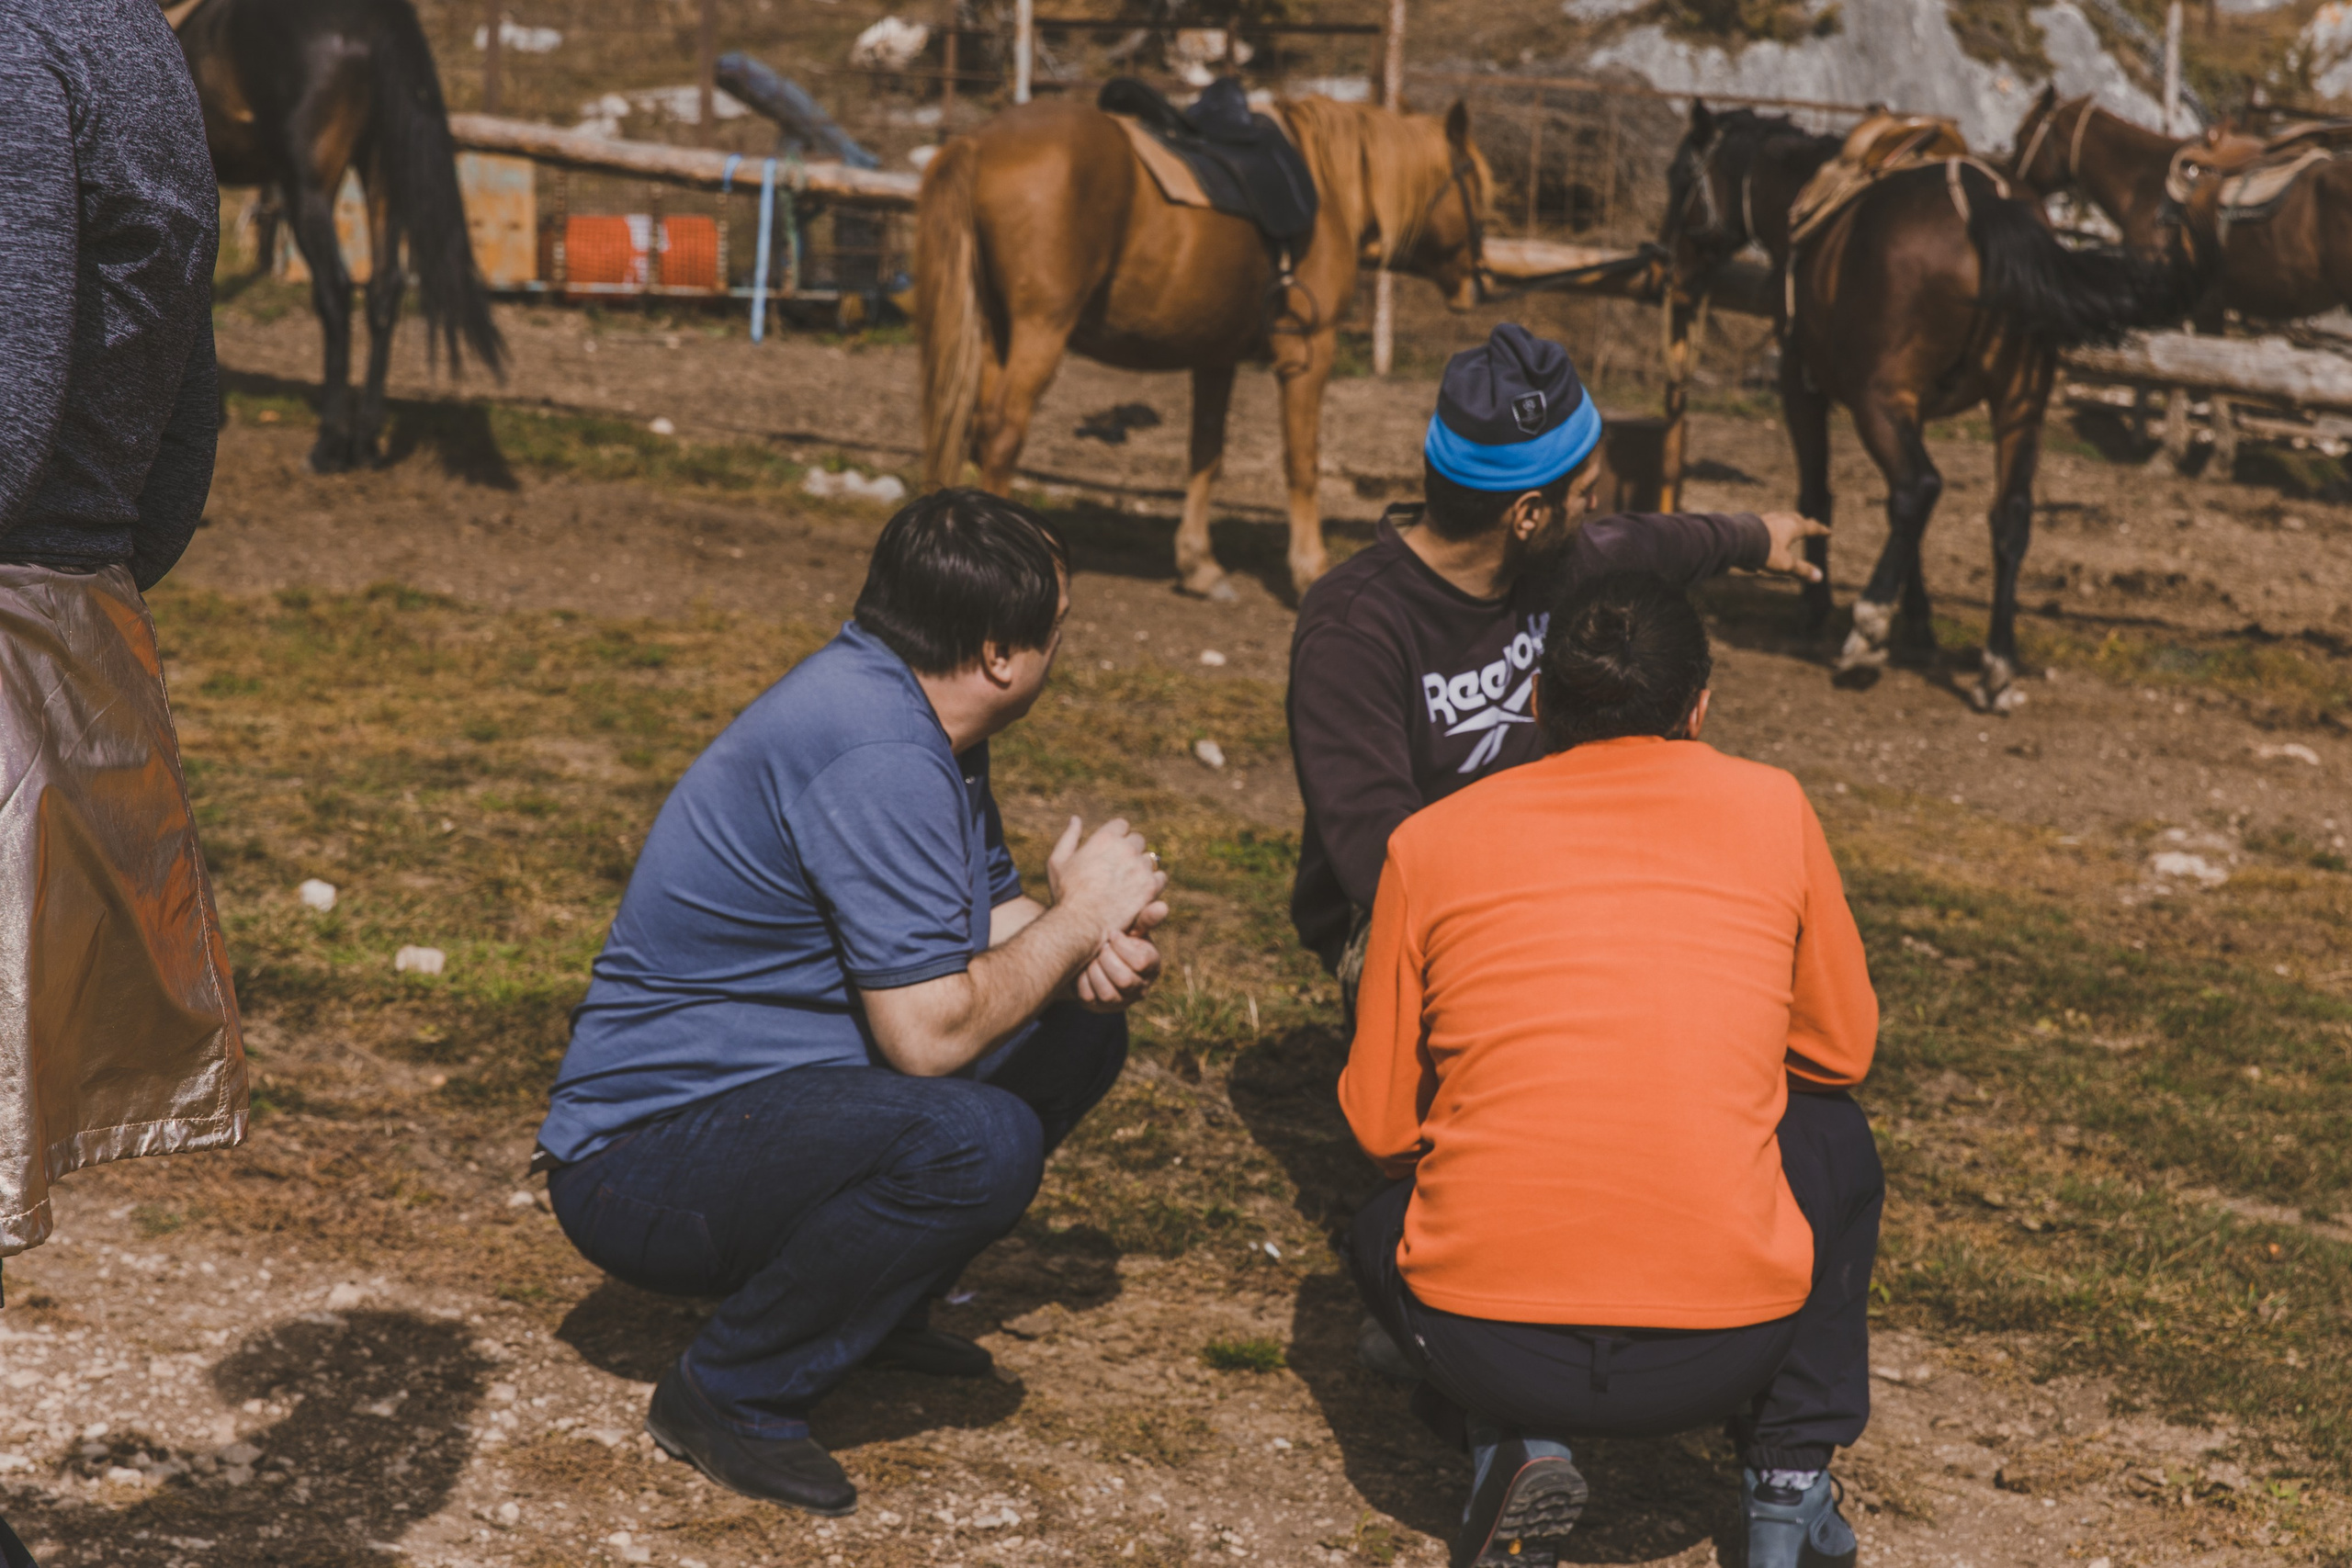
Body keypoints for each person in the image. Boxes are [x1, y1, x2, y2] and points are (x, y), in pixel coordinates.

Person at [536, 490, 1168, 1517]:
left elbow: (987, 919)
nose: (1064, 649)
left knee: (1077, 1034)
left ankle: (869, 1311)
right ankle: (729, 1392)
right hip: (637, 1166)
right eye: (1058, 630)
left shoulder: (923, 718)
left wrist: (1092, 942)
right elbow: (929, 1038)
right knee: (979, 1141)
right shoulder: (877, 749)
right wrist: (1078, 919)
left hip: (764, 1103)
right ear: (999, 653)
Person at [1339, 573, 1883, 1568]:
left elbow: (1381, 1130)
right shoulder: (1775, 807)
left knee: (1380, 1215)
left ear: (1537, 701)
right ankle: (1787, 1488)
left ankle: (1509, 1438)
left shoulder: (1427, 842)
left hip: (1485, 1343)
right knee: (1834, 1137)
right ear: (1700, 705)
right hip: (1725, 1353)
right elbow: (1840, 1052)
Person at [1, 3, 247, 1562]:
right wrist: (94, 573)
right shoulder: (144, 54)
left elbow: (7, 402)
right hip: (76, 631)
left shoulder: (16, 49)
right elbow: (192, 415)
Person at [1285, 322, 1829, 1012]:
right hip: (1415, 913)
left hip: (1548, 877)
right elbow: (1381, 855)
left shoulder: (1554, 564)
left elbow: (1649, 543)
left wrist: (1754, 537)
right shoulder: (1354, 629)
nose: (1596, 505)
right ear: (1527, 515)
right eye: (1584, 491)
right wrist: (1553, 918)